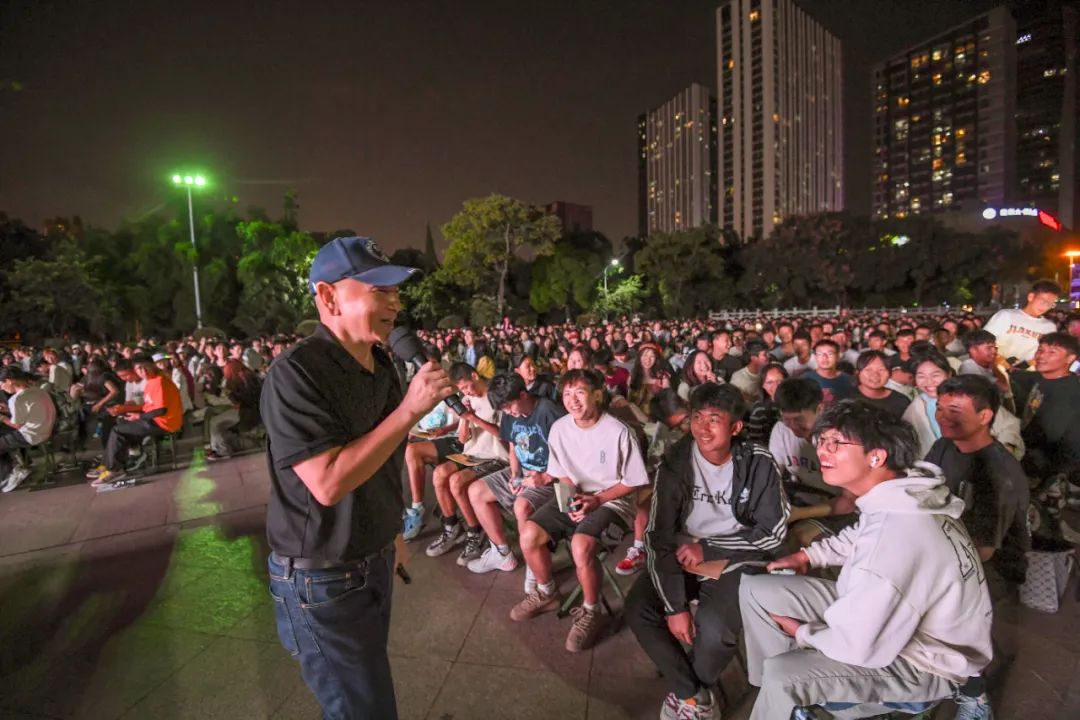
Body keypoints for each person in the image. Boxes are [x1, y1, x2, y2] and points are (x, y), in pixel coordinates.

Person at [261, 236, 455, 720]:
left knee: (368, 696)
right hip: (321, 575)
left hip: (371, 558)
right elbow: (326, 482)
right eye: (378, 290)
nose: (394, 302)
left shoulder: (381, 363)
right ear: (328, 297)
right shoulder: (295, 374)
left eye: (395, 291)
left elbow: (387, 453)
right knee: (362, 709)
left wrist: (391, 531)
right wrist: (410, 409)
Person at [739, 400, 993, 720]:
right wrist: (808, 555)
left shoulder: (892, 540)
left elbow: (859, 644)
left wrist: (803, 634)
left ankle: (791, 695)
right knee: (758, 591)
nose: (823, 451)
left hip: (926, 661)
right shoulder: (905, 492)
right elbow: (860, 534)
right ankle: (788, 702)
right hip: (903, 622)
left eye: (836, 443)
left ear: (876, 455)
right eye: (822, 440)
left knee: (782, 674)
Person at [626, 383, 788, 720]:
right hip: (682, 552)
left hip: (735, 556)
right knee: (640, 607)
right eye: (697, 417)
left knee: (715, 629)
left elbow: (772, 533)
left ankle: (688, 693)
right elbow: (658, 533)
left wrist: (710, 547)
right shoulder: (677, 457)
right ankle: (694, 695)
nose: (703, 427)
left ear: (735, 427)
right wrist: (675, 607)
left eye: (715, 419)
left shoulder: (758, 462)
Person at [509, 369, 650, 652]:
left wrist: (596, 501)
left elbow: (634, 482)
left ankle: (591, 609)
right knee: (528, 535)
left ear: (597, 394)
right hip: (577, 495)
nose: (572, 400)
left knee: (581, 545)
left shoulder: (619, 431)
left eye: (580, 393)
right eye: (567, 394)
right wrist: (573, 499)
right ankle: (547, 593)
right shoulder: (560, 428)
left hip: (613, 503)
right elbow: (562, 473)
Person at [926, 375, 1030, 602]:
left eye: (954, 410)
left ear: (984, 416)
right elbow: (923, 487)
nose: (941, 417)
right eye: (939, 408)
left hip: (989, 568)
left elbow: (982, 551)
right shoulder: (944, 445)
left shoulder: (999, 474)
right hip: (947, 540)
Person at [462, 371, 565, 584]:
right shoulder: (509, 413)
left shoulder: (548, 411)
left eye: (509, 406)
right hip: (524, 471)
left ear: (523, 395)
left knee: (521, 506)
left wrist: (545, 477)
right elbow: (513, 445)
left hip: (551, 477)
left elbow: (569, 453)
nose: (508, 412)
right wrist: (515, 474)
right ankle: (501, 553)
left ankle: (533, 565)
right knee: (476, 491)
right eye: (503, 409)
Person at [423, 363, 511, 568]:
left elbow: (504, 436)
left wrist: (474, 418)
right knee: (439, 474)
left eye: (466, 387)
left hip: (496, 457)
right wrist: (465, 419)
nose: (466, 392)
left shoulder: (496, 397)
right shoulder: (467, 399)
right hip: (472, 454)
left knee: (456, 481)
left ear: (475, 375)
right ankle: (451, 526)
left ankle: (475, 531)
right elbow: (463, 440)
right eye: (462, 390)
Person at [85, 353, 183, 486]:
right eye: (139, 369)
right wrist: (127, 411)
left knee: (118, 431)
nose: (142, 372)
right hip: (156, 420)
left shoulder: (159, 381)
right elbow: (149, 406)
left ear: (152, 366)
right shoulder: (152, 381)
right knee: (119, 426)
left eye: (145, 367)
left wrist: (139, 416)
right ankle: (117, 464)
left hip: (164, 422)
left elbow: (161, 410)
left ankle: (115, 468)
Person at [903, 352, 1024, 460]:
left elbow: (1010, 424)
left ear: (949, 374)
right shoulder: (915, 409)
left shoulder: (969, 396)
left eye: (935, 375)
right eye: (921, 376)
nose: (928, 382)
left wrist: (1005, 449)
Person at [0, 367, 56, 493]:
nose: (2, 388)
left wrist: (3, 417)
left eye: (2, 384)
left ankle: (12, 473)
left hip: (31, 435)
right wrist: (7, 410)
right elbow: (28, 414)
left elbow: (18, 425)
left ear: (9, 381)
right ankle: (13, 467)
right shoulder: (38, 391)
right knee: (3, 438)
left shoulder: (16, 399)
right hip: (46, 429)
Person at [983, 279, 1061, 364]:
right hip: (995, 369)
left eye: (1050, 304)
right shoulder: (1005, 315)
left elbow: (1046, 355)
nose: (1045, 306)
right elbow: (983, 342)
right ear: (1031, 297)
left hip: (1026, 373)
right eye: (1043, 301)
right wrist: (1001, 361)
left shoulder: (1049, 327)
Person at [852, 350, 910, 418]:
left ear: (890, 373)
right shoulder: (844, 397)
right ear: (857, 373)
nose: (875, 374)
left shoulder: (901, 402)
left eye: (881, 370)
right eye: (868, 370)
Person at [745, 362, 787, 445]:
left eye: (779, 381)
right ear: (763, 386)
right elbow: (755, 441)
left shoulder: (797, 404)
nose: (776, 386)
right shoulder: (760, 409)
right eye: (770, 382)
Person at [803, 339, 854, 404]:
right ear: (815, 357)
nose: (825, 357)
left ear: (838, 356)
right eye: (820, 354)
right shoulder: (804, 379)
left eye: (830, 354)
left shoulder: (849, 380)